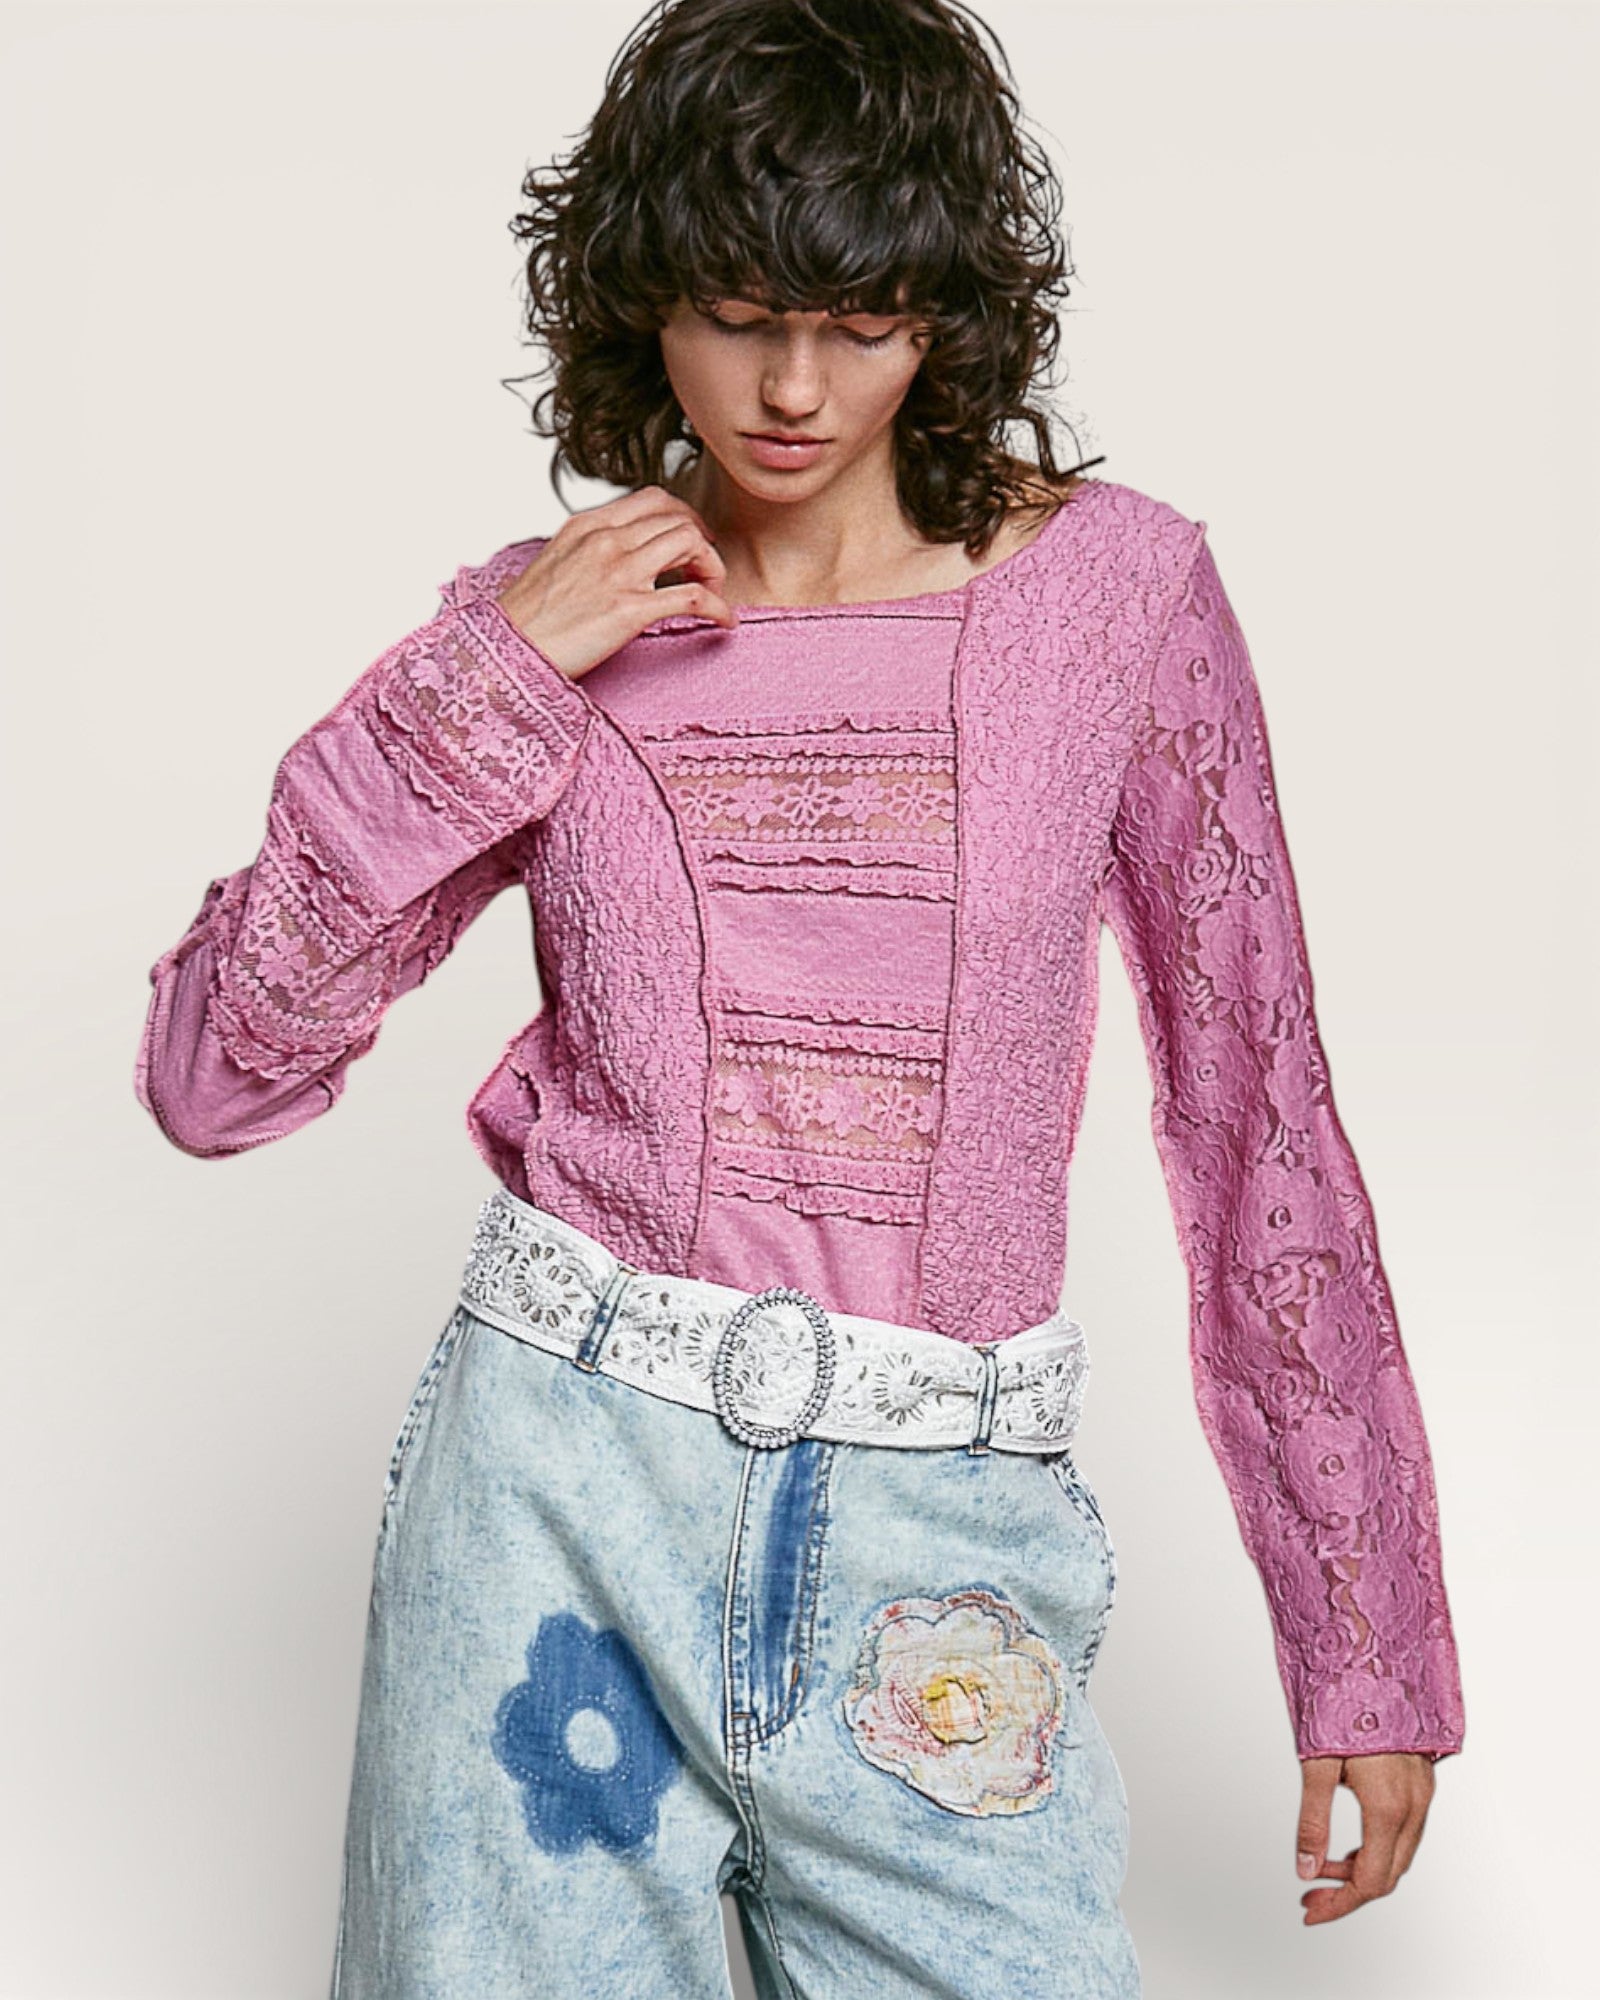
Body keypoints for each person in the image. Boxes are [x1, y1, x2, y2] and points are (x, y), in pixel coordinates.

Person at [132, 0, 1466, 1993]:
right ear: (636, 296)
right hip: (550, 1511)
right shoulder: (543, 628)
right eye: (733, 309)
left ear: (945, 307)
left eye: (857, 321)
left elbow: (1250, 1106)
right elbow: (212, 1073)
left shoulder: (1112, 602)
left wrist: (1354, 1619)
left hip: (941, 1556)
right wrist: (480, 682)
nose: (785, 386)